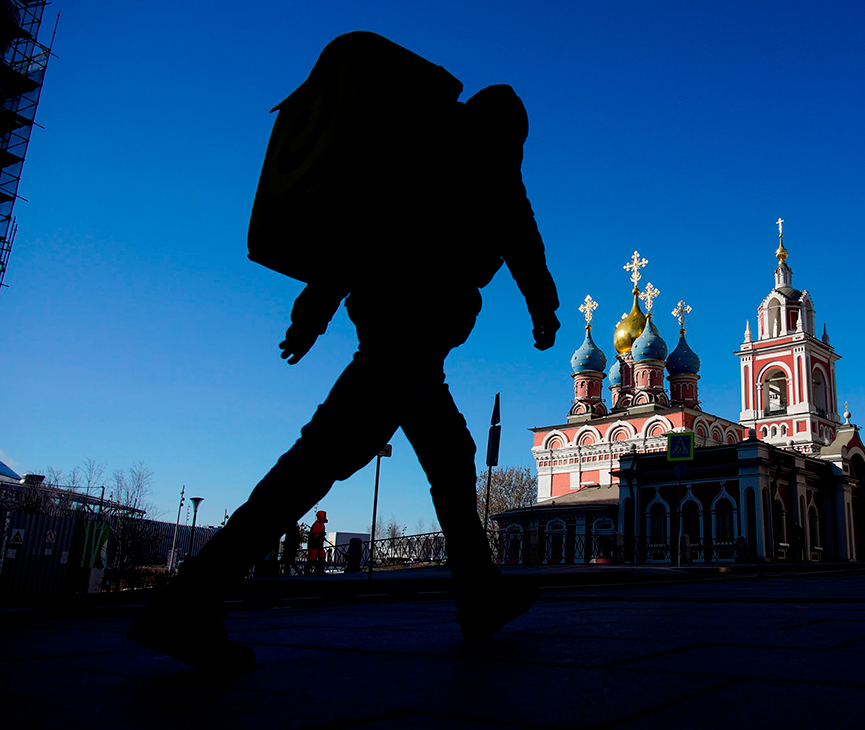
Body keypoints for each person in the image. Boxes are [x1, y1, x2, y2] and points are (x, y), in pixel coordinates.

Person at [128, 32, 560, 671]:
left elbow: (365, 225)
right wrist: (543, 310)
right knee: (324, 453)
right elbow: (524, 241)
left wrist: (317, 305)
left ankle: (479, 594)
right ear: (509, 132)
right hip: (417, 324)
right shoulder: (491, 160)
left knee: (449, 450)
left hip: (389, 319)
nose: (516, 150)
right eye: (517, 138)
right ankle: (190, 599)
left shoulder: (420, 152)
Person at [307, 511, 328, 575]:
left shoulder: (322, 525)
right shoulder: (317, 524)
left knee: (322, 556)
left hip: (319, 544)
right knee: (312, 558)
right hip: (314, 544)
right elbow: (315, 535)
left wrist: (322, 536)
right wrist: (321, 537)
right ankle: (307, 570)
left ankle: (319, 570)